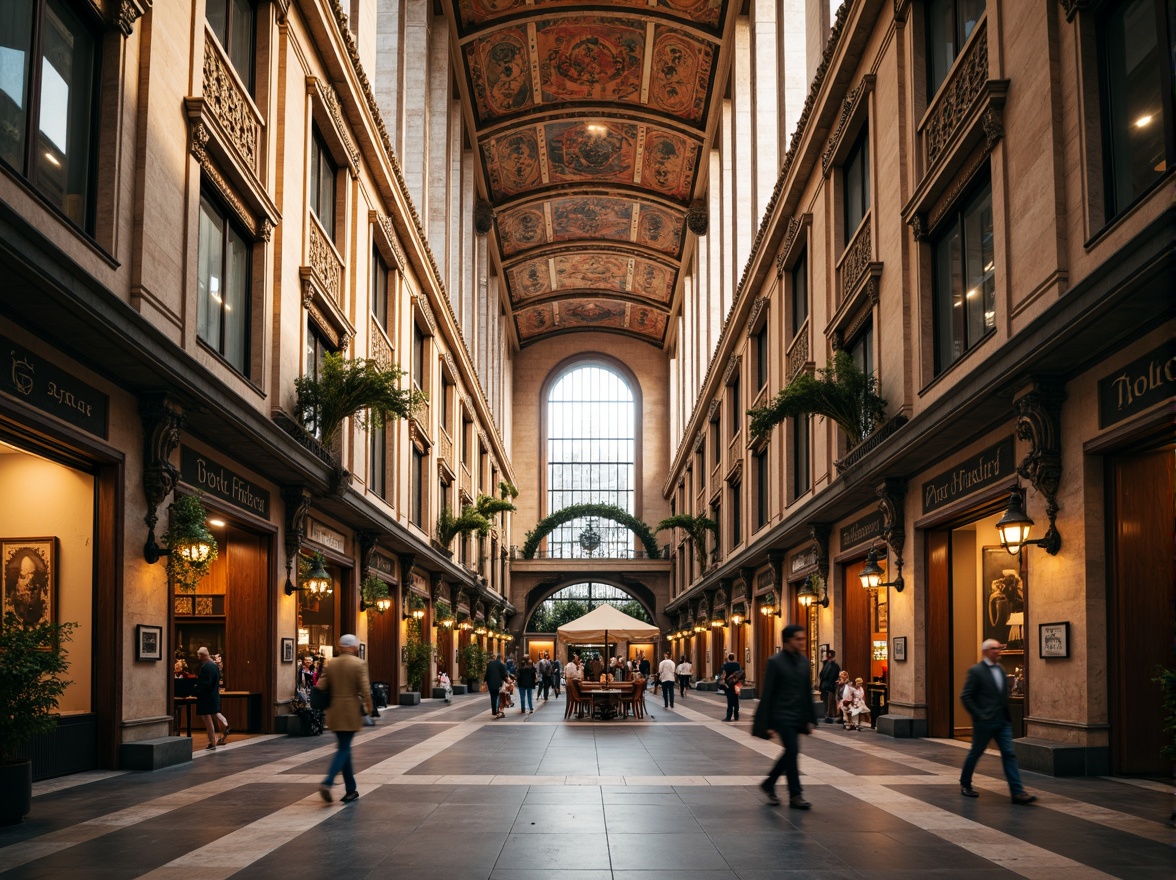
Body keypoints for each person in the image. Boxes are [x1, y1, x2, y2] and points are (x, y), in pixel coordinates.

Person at [959, 639, 1037, 805]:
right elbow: (966, 696)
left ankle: (1017, 792)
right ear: (986, 651)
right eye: (994, 649)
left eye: (998, 648)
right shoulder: (976, 671)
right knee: (976, 752)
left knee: (1009, 754)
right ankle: (965, 783)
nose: (997, 651)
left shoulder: (1001, 670)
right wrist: (979, 714)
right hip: (984, 722)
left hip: (1002, 721)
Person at [753, 624, 818, 809]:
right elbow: (768, 694)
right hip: (781, 715)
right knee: (792, 750)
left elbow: (807, 691)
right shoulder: (775, 662)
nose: (802, 642)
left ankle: (769, 783)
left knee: (791, 752)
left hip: (798, 714)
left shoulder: (804, 661)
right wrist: (767, 722)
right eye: (799, 639)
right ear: (788, 640)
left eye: (803, 638)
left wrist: (811, 718)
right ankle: (795, 795)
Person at [315, 634, 373, 804]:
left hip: (335, 711)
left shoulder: (332, 663)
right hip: (350, 711)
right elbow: (365, 688)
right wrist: (369, 708)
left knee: (344, 747)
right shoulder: (359, 664)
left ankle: (351, 790)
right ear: (354, 647)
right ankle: (328, 781)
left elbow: (321, 685)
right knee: (344, 748)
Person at [194, 647, 229, 750]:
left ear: (201, 656)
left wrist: (195, 691)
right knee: (214, 714)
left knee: (207, 720)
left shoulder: (206, 668)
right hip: (214, 695)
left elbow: (204, 684)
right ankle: (224, 723)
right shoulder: (214, 666)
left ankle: (212, 742)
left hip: (206, 698)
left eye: (199, 656)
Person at [5, 551, 49, 626]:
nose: (29, 582)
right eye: (23, 576)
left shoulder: (39, 593)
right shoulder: (11, 604)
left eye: (32, 575)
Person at [819, 649, 841, 723]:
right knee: (828, 701)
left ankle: (828, 714)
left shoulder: (827, 664)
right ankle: (829, 715)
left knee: (827, 701)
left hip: (825, 686)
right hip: (829, 686)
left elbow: (821, 675)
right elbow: (834, 676)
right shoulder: (834, 666)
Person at [720, 653, 744, 721]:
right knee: (736, 699)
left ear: (728, 658)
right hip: (737, 684)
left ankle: (729, 716)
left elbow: (724, 674)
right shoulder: (738, 664)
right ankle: (736, 716)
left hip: (729, 684)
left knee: (730, 700)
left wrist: (722, 680)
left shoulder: (726, 665)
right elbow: (740, 673)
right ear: (734, 658)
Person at [485, 652, 509, 718]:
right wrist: (506, 680)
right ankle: (497, 710)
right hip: (498, 683)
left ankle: (494, 711)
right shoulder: (501, 665)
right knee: (498, 696)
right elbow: (504, 674)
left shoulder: (490, 664)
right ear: (501, 658)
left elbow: (487, 673)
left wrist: (485, 681)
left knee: (492, 697)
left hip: (490, 683)